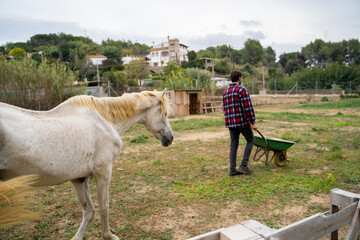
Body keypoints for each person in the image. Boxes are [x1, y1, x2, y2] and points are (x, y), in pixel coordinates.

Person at [223, 70, 257, 176]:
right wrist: (253, 122)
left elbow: (225, 108)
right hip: (242, 122)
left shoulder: (226, 91)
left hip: (231, 123)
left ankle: (232, 170)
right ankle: (244, 165)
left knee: (233, 145)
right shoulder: (241, 90)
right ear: (240, 78)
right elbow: (248, 107)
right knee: (251, 140)